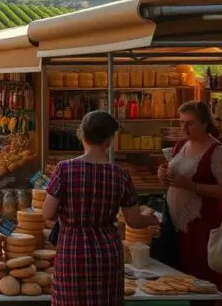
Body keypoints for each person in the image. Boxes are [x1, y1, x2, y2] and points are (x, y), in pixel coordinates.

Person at [43, 110, 159, 306]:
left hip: (73, 250)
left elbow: (47, 212)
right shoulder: (120, 175)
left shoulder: (65, 169)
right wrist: (151, 217)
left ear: (82, 134)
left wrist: (67, 215)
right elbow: (134, 221)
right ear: (109, 139)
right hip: (107, 252)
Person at [158, 101, 222, 296]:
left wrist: (192, 186)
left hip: (202, 226)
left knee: (201, 280)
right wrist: (164, 177)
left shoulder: (217, 152)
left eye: (190, 123)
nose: (184, 128)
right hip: (176, 226)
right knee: (178, 281)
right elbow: (173, 183)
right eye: (181, 122)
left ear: (205, 123)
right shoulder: (181, 144)